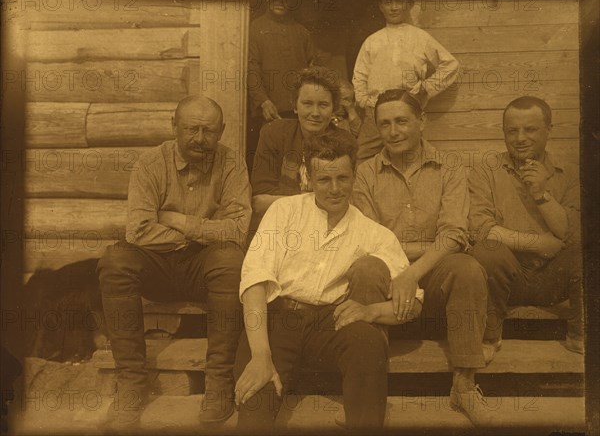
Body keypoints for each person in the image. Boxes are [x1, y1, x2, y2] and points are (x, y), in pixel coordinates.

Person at [234, 128, 423, 431]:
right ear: (307, 177)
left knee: (367, 339)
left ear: (355, 175)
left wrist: (370, 311)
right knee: (256, 404)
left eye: (343, 178)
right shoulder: (284, 211)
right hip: (277, 324)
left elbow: (413, 305)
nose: (335, 189)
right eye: (324, 179)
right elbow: (254, 283)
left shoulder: (374, 233)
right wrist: (260, 356)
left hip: (328, 325)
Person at [96, 96, 251, 430]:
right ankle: (132, 383)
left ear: (221, 131)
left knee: (231, 259)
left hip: (205, 266)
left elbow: (237, 231)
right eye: (191, 129)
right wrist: (198, 233)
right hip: (159, 266)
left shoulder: (232, 164)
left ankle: (219, 385)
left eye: (209, 131)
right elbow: (137, 232)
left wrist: (178, 221)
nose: (199, 138)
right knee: (116, 259)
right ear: (174, 126)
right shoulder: (151, 163)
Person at [352, 89, 494, 427]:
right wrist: (404, 266)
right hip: (385, 275)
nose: (394, 131)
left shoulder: (450, 168)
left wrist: (411, 273)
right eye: (384, 124)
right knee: (364, 267)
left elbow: (454, 234)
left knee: (468, 268)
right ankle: (367, 394)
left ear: (422, 121)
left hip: (433, 275)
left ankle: (464, 385)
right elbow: (370, 238)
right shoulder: (365, 173)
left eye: (402, 121)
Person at [468, 96, 583, 355]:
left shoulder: (571, 173)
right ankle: (489, 337)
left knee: (587, 254)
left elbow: (572, 234)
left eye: (530, 129)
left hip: (554, 279)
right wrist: (541, 243)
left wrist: (542, 194)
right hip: (506, 279)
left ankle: (580, 337)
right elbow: (481, 229)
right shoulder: (485, 171)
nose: (520, 138)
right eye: (512, 130)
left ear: (549, 129)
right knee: (487, 250)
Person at [352, 0, 459, 163]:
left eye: (399, 2)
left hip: (406, 107)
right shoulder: (372, 41)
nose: (394, 8)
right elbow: (360, 75)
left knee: (409, 155)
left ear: (408, 5)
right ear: (380, 6)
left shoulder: (420, 37)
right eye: (388, 2)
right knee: (363, 156)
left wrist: (425, 87)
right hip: (376, 111)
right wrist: (363, 99)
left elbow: (450, 65)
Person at [250, 65, 341, 217]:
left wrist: (284, 201)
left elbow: (343, 202)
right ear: (295, 106)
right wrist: (316, 203)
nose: (315, 113)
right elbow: (259, 202)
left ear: (333, 109)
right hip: (281, 224)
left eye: (323, 105)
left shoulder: (343, 143)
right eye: (307, 104)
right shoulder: (274, 134)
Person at [246, 0, 319, 171]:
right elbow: (251, 68)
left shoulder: (302, 32)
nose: (280, 2)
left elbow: (312, 70)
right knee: (271, 160)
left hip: (298, 111)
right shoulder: (255, 28)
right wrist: (263, 101)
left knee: (298, 159)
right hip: (270, 110)